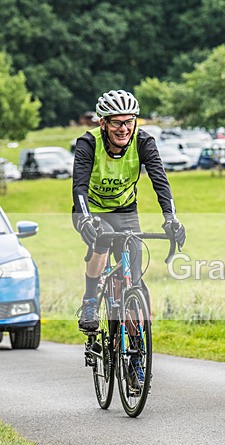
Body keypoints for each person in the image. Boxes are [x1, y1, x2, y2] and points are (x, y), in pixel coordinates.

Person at [73, 90, 186, 339]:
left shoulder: (144, 142)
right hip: (91, 211)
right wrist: (85, 218)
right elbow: (79, 186)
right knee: (103, 238)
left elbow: (160, 181)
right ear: (103, 123)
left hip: (125, 212)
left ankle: (135, 348)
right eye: (116, 122)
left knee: (134, 280)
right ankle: (90, 300)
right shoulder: (88, 143)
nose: (123, 129)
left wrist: (171, 218)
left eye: (129, 121)